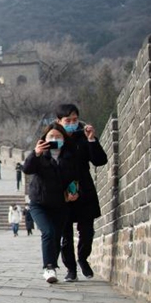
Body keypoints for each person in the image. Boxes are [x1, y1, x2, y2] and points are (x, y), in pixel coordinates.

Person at [55, 103, 108, 281]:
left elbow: (100, 161)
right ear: (59, 121)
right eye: (68, 120)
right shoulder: (53, 139)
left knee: (87, 231)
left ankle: (83, 259)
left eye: (75, 120)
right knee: (66, 236)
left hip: (84, 190)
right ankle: (71, 269)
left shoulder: (84, 137)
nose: (72, 123)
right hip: (62, 193)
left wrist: (92, 139)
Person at [22, 122, 79, 284]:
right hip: (39, 203)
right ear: (44, 139)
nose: (55, 139)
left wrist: (74, 192)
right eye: (51, 137)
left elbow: (74, 178)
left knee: (56, 237)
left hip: (60, 204)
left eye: (58, 136)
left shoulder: (69, 156)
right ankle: (48, 268)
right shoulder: (40, 155)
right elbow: (27, 169)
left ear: (64, 139)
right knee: (47, 232)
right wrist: (36, 153)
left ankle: (52, 265)